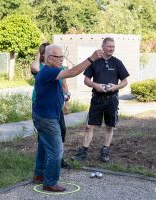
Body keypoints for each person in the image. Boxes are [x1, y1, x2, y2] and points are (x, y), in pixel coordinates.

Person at [32, 44, 103, 192]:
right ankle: (50, 182)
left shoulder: (50, 71)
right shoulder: (48, 71)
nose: (62, 60)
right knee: (56, 150)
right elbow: (74, 72)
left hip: (47, 114)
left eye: (62, 57)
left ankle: (39, 175)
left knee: (44, 147)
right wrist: (92, 58)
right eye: (59, 57)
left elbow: (57, 88)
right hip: (47, 118)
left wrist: (64, 98)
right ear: (50, 58)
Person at [71, 37, 130, 163]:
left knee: (110, 126)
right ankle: (84, 151)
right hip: (97, 99)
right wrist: (96, 86)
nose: (111, 49)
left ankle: (105, 151)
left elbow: (125, 81)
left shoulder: (117, 63)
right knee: (89, 126)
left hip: (112, 99)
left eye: (113, 47)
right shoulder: (95, 61)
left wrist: (116, 86)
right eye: (109, 47)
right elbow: (86, 80)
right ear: (103, 46)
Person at [30, 42, 72, 169]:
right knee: (45, 134)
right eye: (56, 56)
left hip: (56, 105)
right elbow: (35, 69)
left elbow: (64, 85)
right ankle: (51, 168)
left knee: (61, 130)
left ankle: (57, 158)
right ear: (45, 56)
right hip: (42, 105)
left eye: (60, 56)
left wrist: (66, 102)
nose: (60, 58)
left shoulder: (59, 68)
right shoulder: (42, 68)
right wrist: (38, 55)